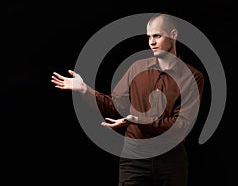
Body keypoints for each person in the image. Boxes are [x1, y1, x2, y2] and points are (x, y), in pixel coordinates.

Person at [51, 13, 204, 186]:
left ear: (174, 35)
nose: (151, 42)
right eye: (149, 37)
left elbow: (181, 125)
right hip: (134, 157)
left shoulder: (193, 77)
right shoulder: (136, 68)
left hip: (171, 159)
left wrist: (138, 120)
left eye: (157, 36)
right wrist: (85, 90)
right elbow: (115, 105)